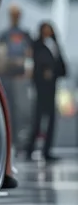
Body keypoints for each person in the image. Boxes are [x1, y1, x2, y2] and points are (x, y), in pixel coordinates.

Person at [23, 21, 67, 162]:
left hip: (52, 86)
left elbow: (60, 63)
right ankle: (30, 149)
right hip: (41, 86)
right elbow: (36, 62)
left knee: (51, 119)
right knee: (38, 118)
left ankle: (46, 150)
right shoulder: (37, 45)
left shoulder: (54, 45)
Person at [0, 4, 32, 146]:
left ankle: (19, 140)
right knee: (7, 106)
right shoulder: (4, 35)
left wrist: (27, 68)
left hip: (20, 78)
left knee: (21, 109)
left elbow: (30, 53)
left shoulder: (25, 35)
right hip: (6, 76)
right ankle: (8, 139)